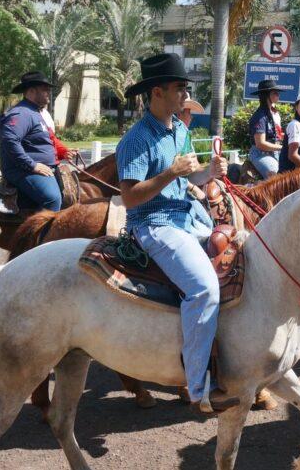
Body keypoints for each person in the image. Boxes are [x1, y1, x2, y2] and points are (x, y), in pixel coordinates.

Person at [115, 53, 237, 413]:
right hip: (153, 224)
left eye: (185, 88)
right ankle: (199, 387)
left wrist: (209, 171)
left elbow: (192, 178)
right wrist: (170, 173)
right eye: (180, 88)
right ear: (157, 92)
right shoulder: (135, 140)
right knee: (203, 288)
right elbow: (129, 196)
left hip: (186, 218)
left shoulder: (180, 130)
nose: (185, 95)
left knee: (239, 252)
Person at [0, 72, 73, 212]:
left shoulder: (34, 112)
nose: (48, 92)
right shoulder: (22, 113)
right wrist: (32, 165)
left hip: (41, 167)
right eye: (45, 89)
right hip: (21, 170)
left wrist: (64, 152)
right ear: (31, 91)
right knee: (53, 198)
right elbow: (9, 140)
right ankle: (44, 234)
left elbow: (45, 141)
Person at [248, 79, 283, 179]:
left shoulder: (271, 114)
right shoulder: (260, 117)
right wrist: (282, 147)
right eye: (275, 93)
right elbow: (260, 144)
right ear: (266, 95)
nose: (278, 95)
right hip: (260, 155)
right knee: (276, 179)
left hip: (274, 153)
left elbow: (277, 135)